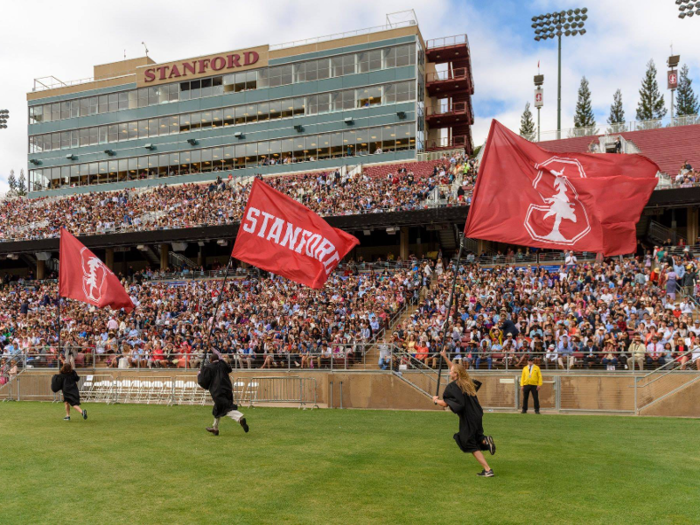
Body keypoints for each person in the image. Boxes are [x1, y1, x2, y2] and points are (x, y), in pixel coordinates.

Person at [432, 350, 496, 478]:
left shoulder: (453, 387)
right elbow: (457, 368)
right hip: (477, 414)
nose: (449, 372)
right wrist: (445, 357)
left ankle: (488, 469)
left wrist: (436, 400)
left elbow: (446, 403)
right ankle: (485, 440)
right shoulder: (467, 382)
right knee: (476, 437)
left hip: (468, 417)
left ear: (455, 374)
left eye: (451, 371)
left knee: (468, 442)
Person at [197, 349, 249, 436]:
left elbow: (202, 381)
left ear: (210, 360)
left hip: (217, 391)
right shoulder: (222, 364)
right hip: (227, 389)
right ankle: (215, 428)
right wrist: (213, 348)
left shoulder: (208, 368)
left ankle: (239, 418)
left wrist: (199, 373)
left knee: (226, 408)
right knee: (217, 409)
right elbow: (229, 369)